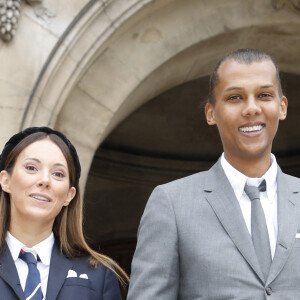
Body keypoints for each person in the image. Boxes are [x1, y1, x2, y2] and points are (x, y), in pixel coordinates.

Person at [127, 48, 300, 299]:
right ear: (211, 113)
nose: (251, 108)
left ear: (282, 107)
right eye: (235, 98)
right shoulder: (172, 203)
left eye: (264, 95)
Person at [0, 126, 128, 300]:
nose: (45, 180)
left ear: (69, 195)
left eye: (58, 174)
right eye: (31, 168)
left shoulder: (98, 274)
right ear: (5, 181)